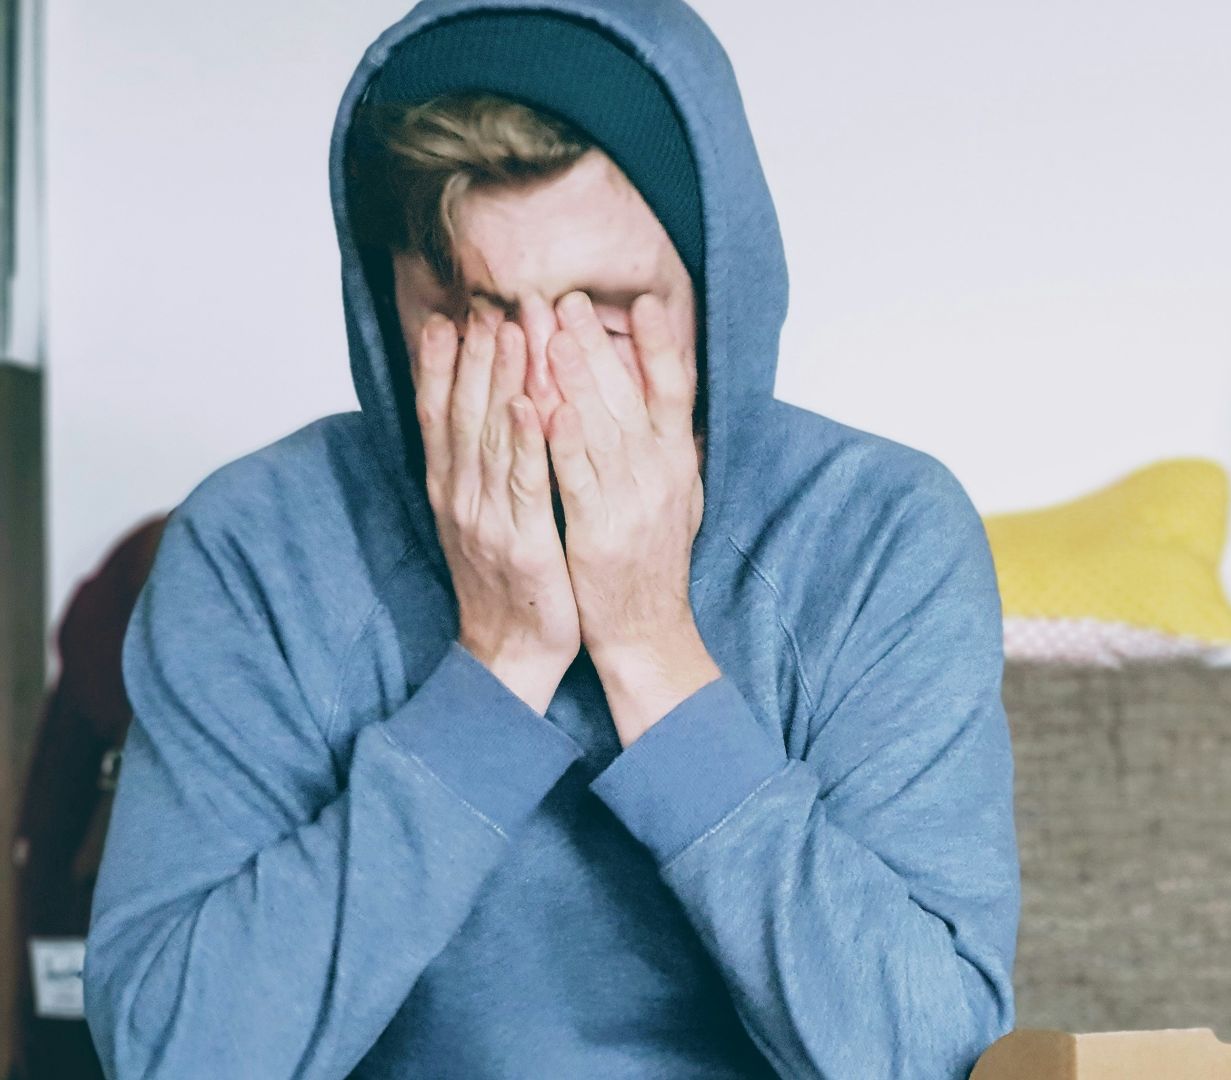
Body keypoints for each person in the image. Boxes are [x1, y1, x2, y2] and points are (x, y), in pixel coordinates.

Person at [80, 2, 1021, 1078]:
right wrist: (497, 669)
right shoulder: (253, 548)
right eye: (476, 313)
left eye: (608, 314)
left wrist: (653, 653)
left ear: (719, 292)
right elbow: (174, 1060)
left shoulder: (881, 537)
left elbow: (938, 1058)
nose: (539, 387)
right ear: (389, 305)